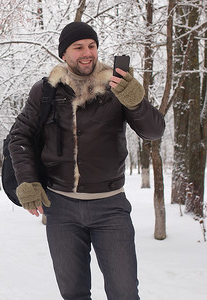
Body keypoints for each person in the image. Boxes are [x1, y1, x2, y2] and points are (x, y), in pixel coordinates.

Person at [8, 22, 165, 300]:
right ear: (64, 54)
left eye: (91, 46)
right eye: (78, 47)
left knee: (125, 292)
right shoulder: (45, 90)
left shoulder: (118, 87)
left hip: (110, 207)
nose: (87, 53)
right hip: (61, 208)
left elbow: (153, 131)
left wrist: (136, 102)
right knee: (73, 293)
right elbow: (19, 137)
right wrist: (28, 180)